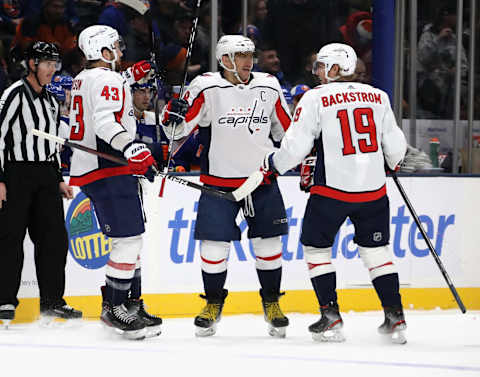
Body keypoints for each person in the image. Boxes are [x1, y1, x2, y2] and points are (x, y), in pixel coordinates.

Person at [259, 43, 408, 344]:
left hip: (331, 191)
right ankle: (395, 315)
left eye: (322, 66)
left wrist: (274, 164)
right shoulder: (379, 97)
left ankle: (330, 316)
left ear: (336, 68)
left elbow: (296, 145)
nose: (318, 73)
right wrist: (392, 162)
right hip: (373, 191)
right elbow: (395, 146)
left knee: (316, 249)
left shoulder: (316, 98)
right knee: (377, 252)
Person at [162, 35, 292, 338]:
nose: (247, 60)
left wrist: (293, 157)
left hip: (261, 180)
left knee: (269, 246)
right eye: (240, 55)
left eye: (249, 54)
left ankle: (272, 303)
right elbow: (178, 130)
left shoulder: (269, 85)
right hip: (217, 185)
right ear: (224, 59)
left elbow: (287, 131)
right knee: (213, 248)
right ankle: (212, 304)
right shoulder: (205, 86)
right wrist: (174, 111)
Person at [70, 25, 161, 340]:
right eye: (116, 48)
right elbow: (106, 121)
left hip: (100, 168)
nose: (120, 52)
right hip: (109, 167)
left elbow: (103, 100)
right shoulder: (107, 79)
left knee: (130, 238)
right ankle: (116, 307)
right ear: (103, 52)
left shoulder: (85, 78)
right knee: (128, 240)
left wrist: (130, 77)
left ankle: (132, 304)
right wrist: (131, 146)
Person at [0, 41, 82, 327]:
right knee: (10, 238)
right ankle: (5, 300)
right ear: (32, 64)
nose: (51, 69)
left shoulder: (50, 100)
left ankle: (52, 302)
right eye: (46, 63)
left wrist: (59, 178)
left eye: (54, 63)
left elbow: (52, 144)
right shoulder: (13, 95)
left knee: (54, 240)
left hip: (46, 175)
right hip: (15, 173)